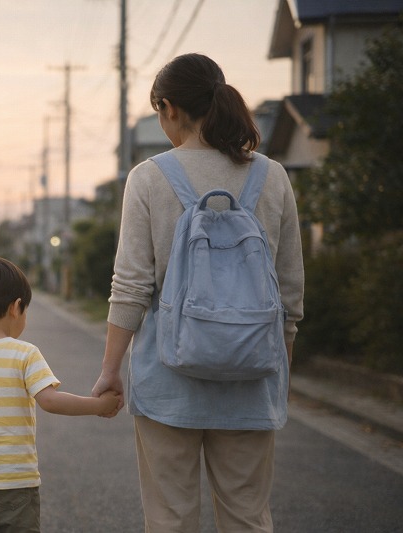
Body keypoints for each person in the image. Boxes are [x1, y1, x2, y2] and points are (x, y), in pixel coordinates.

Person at [92, 53, 304, 532]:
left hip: (167, 380)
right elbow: (290, 292)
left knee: (170, 520)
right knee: (248, 518)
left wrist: (109, 371)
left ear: (168, 108)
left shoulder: (148, 178)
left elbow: (129, 286)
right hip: (251, 381)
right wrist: (279, 370)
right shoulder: (272, 177)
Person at [0, 257, 120, 533]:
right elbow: (50, 401)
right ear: (16, 308)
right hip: (13, 483)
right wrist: (99, 405)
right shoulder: (25, 353)